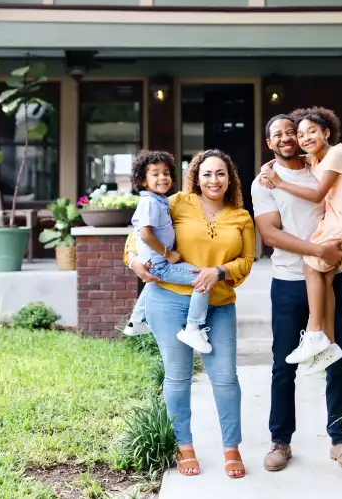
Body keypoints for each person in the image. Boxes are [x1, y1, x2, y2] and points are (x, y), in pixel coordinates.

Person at [125, 149, 254, 480]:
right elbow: (136, 235)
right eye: (207, 174)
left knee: (225, 378)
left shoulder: (240, 217)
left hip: (218, 305)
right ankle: (184, 446)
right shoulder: (176, 202)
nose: (214, 180)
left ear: (230, 179)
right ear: (196, 177)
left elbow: (246, 262)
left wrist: (219, 271)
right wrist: (135, 263)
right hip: (168, 301)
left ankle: (231, 447)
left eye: (220, 173)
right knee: (178, 376)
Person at [252, 114, 342, 473]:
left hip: (330, 278)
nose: (286, 138)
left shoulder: (320, 167)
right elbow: (269, 234)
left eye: (292, 132)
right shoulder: (264, 182)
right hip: (287, 281)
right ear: (269, 144)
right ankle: (280, 442)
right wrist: (317, 251)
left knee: (337, 361)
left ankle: (340, 441)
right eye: (278, 135)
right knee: (283, 367)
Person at [259, 107, 342, 370]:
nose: (305, 138)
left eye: (312, 131)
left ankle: (313, 333)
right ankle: (329, 344)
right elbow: (294, 157)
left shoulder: (336, 154)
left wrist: (278, 181)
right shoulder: (319, 159)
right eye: (301, 134)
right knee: (326, 274)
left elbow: (317, 195)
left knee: (311, 262)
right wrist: (270, 165)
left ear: (326, 132)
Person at [123, 150, 212, 354]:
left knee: (152, 283)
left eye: (166, 173)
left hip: (155, 262)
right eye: (155, 174)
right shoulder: (150, 202)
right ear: (143, 180)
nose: (162, 177)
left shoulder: (160, 200)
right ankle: (192, 327)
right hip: (160, 262)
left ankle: (136, 321)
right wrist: (167, 253)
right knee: (202, 279)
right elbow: (143, 234)